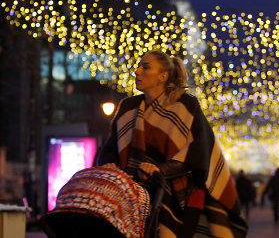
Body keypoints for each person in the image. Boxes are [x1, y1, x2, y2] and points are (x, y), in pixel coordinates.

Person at [94, 50, 247, 237]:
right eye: (139, 66)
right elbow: (110, 146)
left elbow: (199, 151)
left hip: (182, 191)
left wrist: (161, 170)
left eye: (146, 67)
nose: (137, 71)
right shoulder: (128, 107)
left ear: (163, 76)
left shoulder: (185, 105)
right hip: (133, 192)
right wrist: (108, 162)